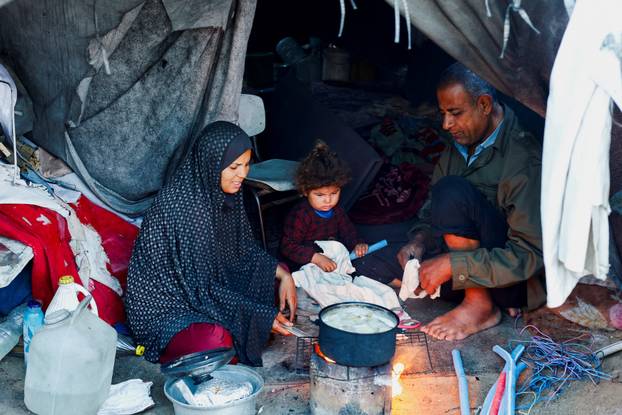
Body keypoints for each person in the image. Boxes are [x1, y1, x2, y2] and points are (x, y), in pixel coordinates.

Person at [125, 121, 297, 366]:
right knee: (216, 342)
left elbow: (242, 250)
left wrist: (282, 274)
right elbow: (198, 287)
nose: (243, 174)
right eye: (234, 167)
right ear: (210, 164)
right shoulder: (188, 207)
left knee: (271, 282)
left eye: (247, 164)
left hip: (205, 283)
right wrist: (256, 316)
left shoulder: (225, 190)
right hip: (169, 304)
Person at [397, 63, 545, 341]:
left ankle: (480, 305)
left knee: (452, 191)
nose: (445, 125)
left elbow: (529, 256)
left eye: (455, 113)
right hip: (474, 268)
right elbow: (434, 211)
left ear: (485, 104)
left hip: (515, 278)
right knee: (391, 266)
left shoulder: (523, 159)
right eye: (443, 114)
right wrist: (419, 240)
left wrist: (455, 264)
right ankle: (474, 295)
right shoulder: (461, 143)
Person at [281, 141, 368, 272]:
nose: (328, 200)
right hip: (305, 263)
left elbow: (348, 232)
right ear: (305, 191)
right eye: (320, 195)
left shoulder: (337, 211)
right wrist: (315, 258)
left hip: (330, 259)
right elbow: (288, 246)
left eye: (334, 193)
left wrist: (358, 244)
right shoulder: (301, 215)